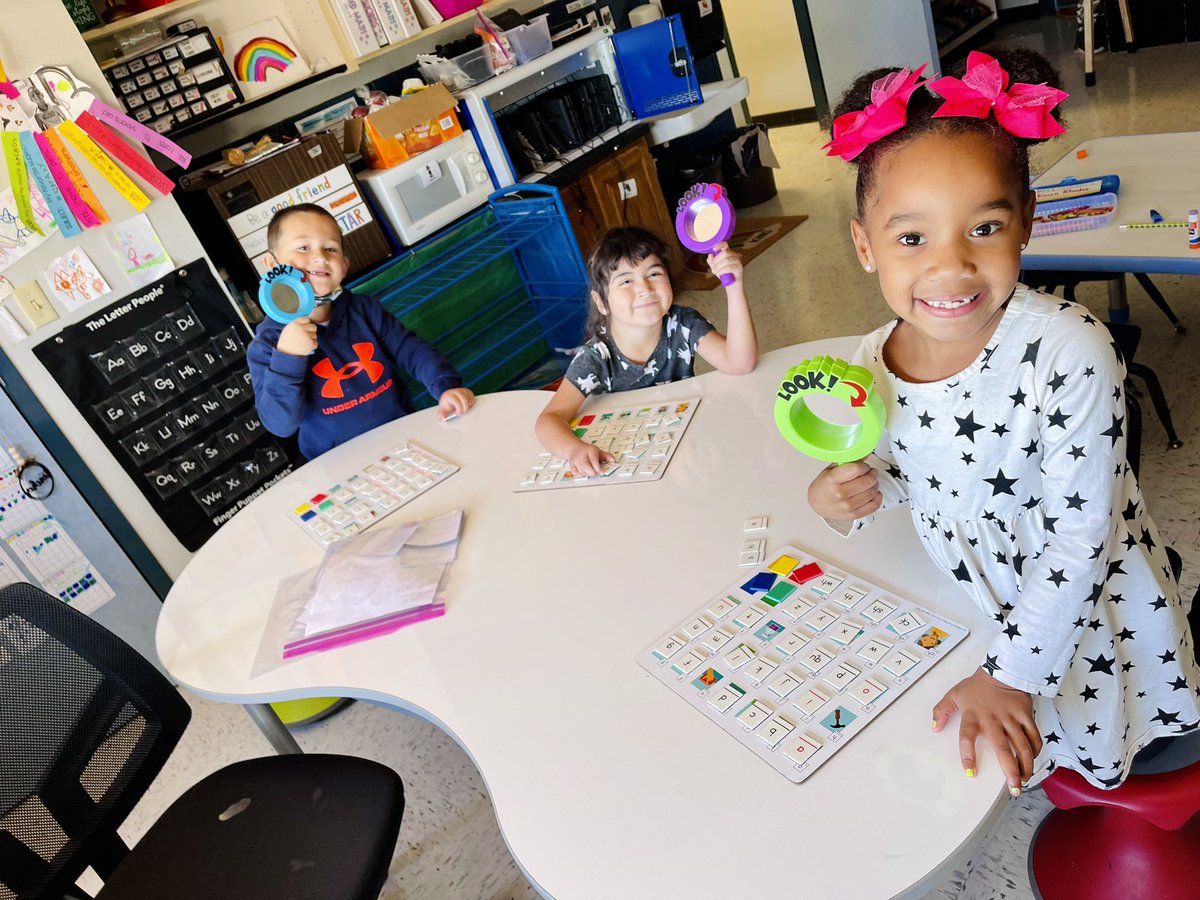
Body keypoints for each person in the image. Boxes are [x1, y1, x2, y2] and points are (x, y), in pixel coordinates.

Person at [808, 48, 1200, 795]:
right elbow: (907, 471)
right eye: (912, 238)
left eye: (983, 228)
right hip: (982, 601)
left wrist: (1011, 674)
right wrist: (845, 496)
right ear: (865, 246)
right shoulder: (868, 361)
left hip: (1088, 615)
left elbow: (1081, 538)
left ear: (1026, 223)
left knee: (1108, 735)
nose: (951, 266)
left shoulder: (1070, 349)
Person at [248, 204, 475, 460]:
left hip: (403, 438)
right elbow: (280, 424)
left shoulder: (364, 309)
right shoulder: (268, 343)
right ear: (271, 264)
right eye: (303, 247)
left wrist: (446, 386)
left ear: (344, 267)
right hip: (337, 463)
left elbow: (411, 349)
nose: (320, 257)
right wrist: (287, 356)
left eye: (330, 248)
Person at [535, 226, 757, 473]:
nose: (644, 288)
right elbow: (549, 419)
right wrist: (574, 449)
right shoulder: (596, 357)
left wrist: (733, 285)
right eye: (627, 280)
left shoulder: (682, 323)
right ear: (602, 302)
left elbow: (740, 363)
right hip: (623, 462)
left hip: (686, 449)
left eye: (653, 274)